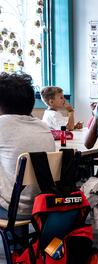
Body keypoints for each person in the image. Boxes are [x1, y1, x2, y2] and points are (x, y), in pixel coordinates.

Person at [0, 72, 55, 220]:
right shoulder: (43, 126)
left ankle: (16, 242)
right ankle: (19, 242)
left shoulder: (2, 124)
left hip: (12, 209)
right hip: (42, 205)